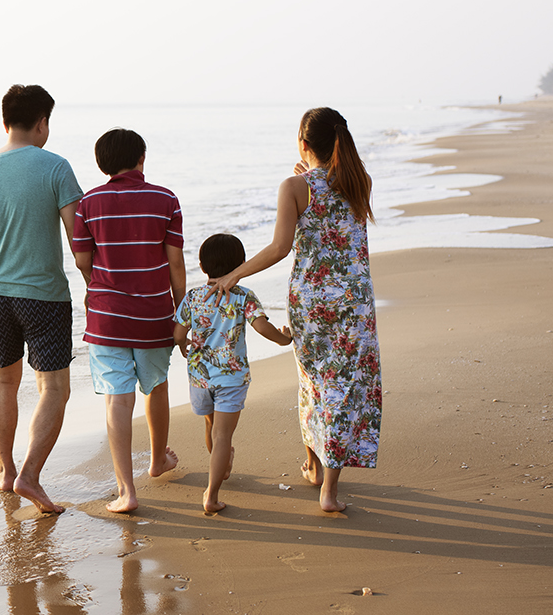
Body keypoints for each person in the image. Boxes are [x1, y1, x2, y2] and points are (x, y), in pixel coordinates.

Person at [210, 107, 382, 513]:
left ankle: (313, 466)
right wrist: (309, 173)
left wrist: (234, 274)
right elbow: (332, 198)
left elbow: (279, 247)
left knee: (313, 381)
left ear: (304, 144)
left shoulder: (293, 186)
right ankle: (329, 490)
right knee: (344, 386)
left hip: (311, 301)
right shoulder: (361, 181)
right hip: (354, 302)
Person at [0, 84, 84, 516]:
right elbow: (78, 241)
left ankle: (6, 472)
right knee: (54, 387)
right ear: (42, 122)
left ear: (4, 121)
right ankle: (30, 475)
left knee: (4, 382)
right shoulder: (56, 167)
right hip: (43, 295)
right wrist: (95, 283)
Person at [69, 128, 186, 514]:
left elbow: (82, 260)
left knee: (117, 398)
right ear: (142, 159)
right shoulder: (166, 199)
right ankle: (157, 459)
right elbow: (175, 262)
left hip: (107, 318)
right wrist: (181, 312)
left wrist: (97, 286)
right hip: (154, 314)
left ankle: (126, 491)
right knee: (156, 386)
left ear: (102, 164)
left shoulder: (88, 203)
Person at [173, 234, 292, 514]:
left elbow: (178, 333)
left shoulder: (193, 297)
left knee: (211, 427)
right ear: (241, 264)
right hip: (231, 378)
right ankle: (211, 495)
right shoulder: (243, 296)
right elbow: (262, 327)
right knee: (223, 436)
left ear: (202, 266)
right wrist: (283, 339)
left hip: (200, 378)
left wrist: (182, 344)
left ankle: (222, 464)